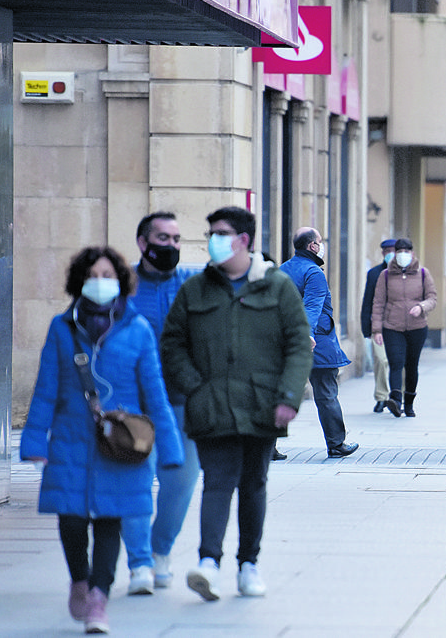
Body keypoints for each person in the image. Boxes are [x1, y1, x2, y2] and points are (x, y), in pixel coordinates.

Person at [21, 246, 184, 633]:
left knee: (111, 521)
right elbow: (46, 389)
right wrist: (33, 441)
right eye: (93, 275)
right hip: (70, 439)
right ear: (80, 281)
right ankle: (80, 578)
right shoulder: (62, 328)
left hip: (121, 443)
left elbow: (155, 394)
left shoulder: (138, 329)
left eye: (108, 275)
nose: (100, 282)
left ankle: (99, 597)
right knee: (72, 519)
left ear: (122, 281)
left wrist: (171, 448)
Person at [161, 206, 314, 601]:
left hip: (263, 405)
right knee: (217, 481)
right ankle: (208, 562)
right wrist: (194, 386)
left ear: (244, 240)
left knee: (253, 484)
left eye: (221, 233)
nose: (213, 239)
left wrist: (288, 397)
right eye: (211, 232)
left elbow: (298, 344)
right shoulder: (195, 288)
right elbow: (173, 342)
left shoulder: (276, 286)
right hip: (211, 404)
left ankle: (249, 564)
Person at [118, 212, 200, 596]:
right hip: (132, 406)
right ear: (143, 242)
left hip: (184, 404)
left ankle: (159, 550)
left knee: (180, 483)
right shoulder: (121, 288)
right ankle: (139, 564)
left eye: (177, 238)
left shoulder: (194, 285)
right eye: (163, 238)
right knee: (133, 483)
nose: (171, 246)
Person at [280, 227, 360, 458]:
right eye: (320, 241)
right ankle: (336, 444)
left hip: (286, 339)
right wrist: (307, 334)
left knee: (280, 392)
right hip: (317, 342)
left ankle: (268, 447)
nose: (322, 246)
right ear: (312, 246)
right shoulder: (314, 272)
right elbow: (313, 305)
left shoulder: (283, 269)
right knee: (326, 394)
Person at [371, 238, 438, 418]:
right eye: (399, 251)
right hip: (392, 326)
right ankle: (395, 400)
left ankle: (409, 404)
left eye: (406, 251)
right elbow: (378, 303)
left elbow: (432, 298)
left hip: (417, 327)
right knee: (396, 363)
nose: (402, 255)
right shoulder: (385, 275)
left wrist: (421, 307)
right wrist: (376, 330)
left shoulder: (423, 273)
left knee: (411, 365)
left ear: (412, 253)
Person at [361, 238, 398, 411]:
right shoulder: (374, 273)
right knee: (382, 361)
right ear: (382, 253)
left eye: (394, 250)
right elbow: (367, 301)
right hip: (379, 326)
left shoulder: (406, 273)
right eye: (387, 250)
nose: (390, 253)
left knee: (399, 362)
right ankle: (382, 397)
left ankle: (398, 396)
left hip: (399, 326)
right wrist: (366, 327)